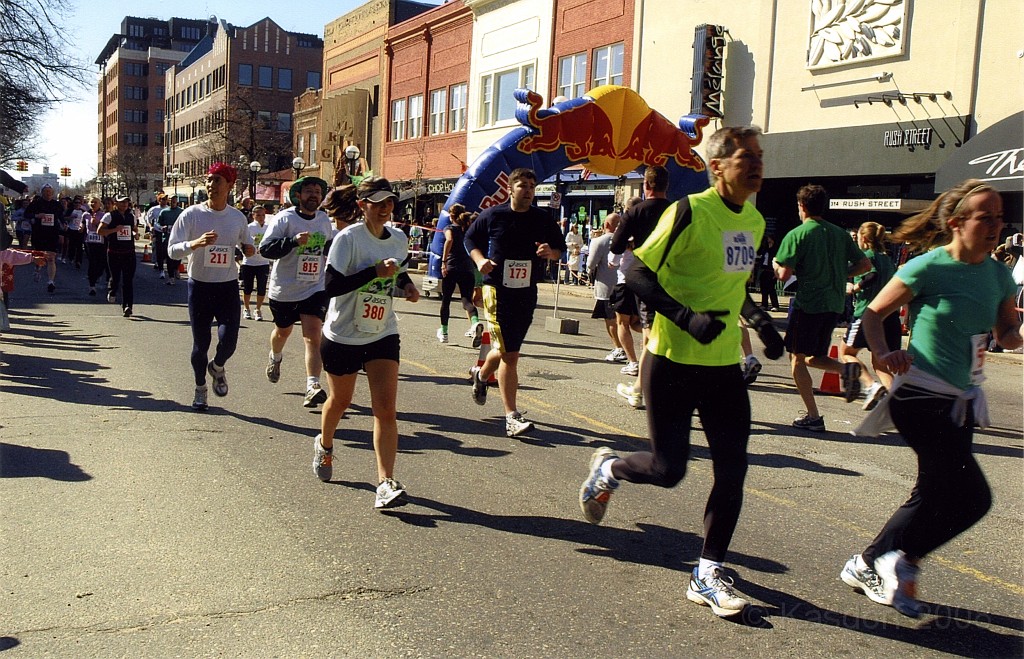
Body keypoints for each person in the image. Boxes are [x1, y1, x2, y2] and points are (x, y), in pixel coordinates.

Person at [578, 126, 783, 619]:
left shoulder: (753, 220)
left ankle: (708, 571)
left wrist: (760, 322)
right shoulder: (689, 211)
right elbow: (635, 270)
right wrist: (686, 317)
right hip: (670, 361)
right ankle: (608, 469)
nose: (756, 165)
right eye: (744, 157)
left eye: (759, 156)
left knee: (733, 468)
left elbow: (733, 289)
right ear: (717, 168)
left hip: (722, 371)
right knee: (668, 470)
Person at [840, 180, 1021, 618]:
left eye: (999, 216)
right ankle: (904, 558)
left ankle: (865, 563)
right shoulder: (928, 267)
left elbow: (1005, 337)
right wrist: (883, 352)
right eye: (985, 216)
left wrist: (1017, 327)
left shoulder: (998, 275)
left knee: (932, 492)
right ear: (957, 223)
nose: (996, 224)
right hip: (919, 396)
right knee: (972, 497)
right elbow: (873, 313)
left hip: (961, 401)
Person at [313, 177, 420, 509]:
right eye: (378, 202)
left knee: (385, 410)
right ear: (363, 206)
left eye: (390, 202)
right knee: (340, 402)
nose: (386, 208)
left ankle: (385, 482)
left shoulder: (399, 239)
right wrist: (374, 272)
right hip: (343, 334)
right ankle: (325, 444)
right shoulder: (348, 239)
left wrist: (408, 285)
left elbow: (397, 271)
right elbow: (331, 287)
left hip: (382, 331)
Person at [464, 167, 566, 437]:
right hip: (497, 289)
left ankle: (482, 374)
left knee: (508, 348)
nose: (528, 190)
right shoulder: (494, 215)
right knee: (511, 355)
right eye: (522, 185)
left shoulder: (543, 219)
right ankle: (511, 416)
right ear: (510, 188)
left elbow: (560, 248)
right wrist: (479, 261)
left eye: (532, 186)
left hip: (526, 291)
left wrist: (551, 252)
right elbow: (470, 238)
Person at [772, 184, 871, 431]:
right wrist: (840, 275)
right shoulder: (839, 233)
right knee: (816, 356)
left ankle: (813, 415)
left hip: (808, 303)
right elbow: (865, 264)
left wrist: (775, 264)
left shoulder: (797, 234)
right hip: (834, 303)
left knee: (797, 359)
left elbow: (783, 275)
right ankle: (846, 368)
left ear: (802, 206)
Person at [167, 163, 255, 411]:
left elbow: (247, 244)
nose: (211, 185)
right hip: (200, 287)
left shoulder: (237, 217)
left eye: (217, 180)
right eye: (209, 180)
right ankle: (200, 388)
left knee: (229, 342)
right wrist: (194, 244)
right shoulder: (191, 215)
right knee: (201, 343)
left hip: (227, 288)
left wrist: (249, 249)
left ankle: (217, 367)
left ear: (229, 186)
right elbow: (172, 251)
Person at [258, 176, 333, 408]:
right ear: (298, 195)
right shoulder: (285, 218)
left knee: (313, 335)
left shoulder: (323, 219)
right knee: (283, 332)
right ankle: (275, 356)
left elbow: (329, 247)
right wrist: (292, 241)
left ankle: (313, 385)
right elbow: (265, 249)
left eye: (318, 192)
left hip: (314, 286)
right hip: (285, 289)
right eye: (309, 191)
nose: (314, 196)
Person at [611, 166, 673, 409]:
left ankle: (641, 389)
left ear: (646, 186)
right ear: (666, 186)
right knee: (666, 333)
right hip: (675, 278)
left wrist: (631, 242)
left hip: (646, 278)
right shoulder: (677, 210)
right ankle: (646, 386)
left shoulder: (636, 211)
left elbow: (616, 246)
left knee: (649, 335)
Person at [839, 222, 899, 411]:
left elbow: (870, 276)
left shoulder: (867, 256)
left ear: (863, 238)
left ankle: (871, 386)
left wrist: (854, 288)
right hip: (888, 315)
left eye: (857, 237)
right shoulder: (887, 259)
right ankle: (893, 405)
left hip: (867, 313)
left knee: (846, 353)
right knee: (880, 362)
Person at [437, 208, 483, 346]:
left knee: (446, 301)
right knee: (466, 301)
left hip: (452, 267)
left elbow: (449, 240)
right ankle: (475, 323)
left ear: (451, 216)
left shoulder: (449, 228)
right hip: (468, 268)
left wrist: (444, 261)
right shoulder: (469, 229)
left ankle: (444, 332)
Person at [588, 214, 626, 364]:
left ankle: (619, 348)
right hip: (624, 283)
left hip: (606, 286)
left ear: (606, 225)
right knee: (623, 319)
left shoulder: (599, 241)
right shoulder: (626, 239)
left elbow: (591, 264)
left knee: (610, 320)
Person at [97, 194, 138, 317]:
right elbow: (100, 231)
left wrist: (136, 234)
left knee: (128, 281)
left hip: (129, 252)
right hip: (114, 252)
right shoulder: (109, 216)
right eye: (121, 202)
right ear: (116, 203)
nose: (124, 205)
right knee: (115, 278)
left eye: (126, 202)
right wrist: (115, 230)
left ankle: (127, 306)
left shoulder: (131, 216)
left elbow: (134, 229)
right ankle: (112, 291)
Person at [24, 184, 63, 293]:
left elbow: (61, 217)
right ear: (42, 193)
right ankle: (37, 269)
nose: (48, 194)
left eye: (50, 192)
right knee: (39, 256)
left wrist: (64, 224)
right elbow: (26, 215)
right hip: (39, 233)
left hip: (52, 233)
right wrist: (36, 216)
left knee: (51, 257)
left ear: (53, 193)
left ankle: (51, 282)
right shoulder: (35, 204)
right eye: (46, 192)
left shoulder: (57, 204)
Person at [239, 204, 271, 321]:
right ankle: (246, 308)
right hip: (249, 262)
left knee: (261, 288)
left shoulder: (269, 227)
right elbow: (241, 242)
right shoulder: (249, 228)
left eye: (263, 215)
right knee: (248, 288)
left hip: (263, 262)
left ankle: (258, 309)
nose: (261, 217)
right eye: (258, 215)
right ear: (253, 215)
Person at [83, 197, 109, 296]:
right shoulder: (85, 214)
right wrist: (81, 228)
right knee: (92, 262)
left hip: (101, 241)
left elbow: (106, 227)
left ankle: (98, 275)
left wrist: (97, 223)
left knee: (102, 261)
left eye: (96, 202)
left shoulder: (103, 215)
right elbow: (83, 226)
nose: (93, 204)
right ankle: (92, 285)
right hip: (89, 241)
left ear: (100, 204)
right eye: (92, 202)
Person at [157, 196, 184, 284]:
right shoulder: (164, 212)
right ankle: (171, 277)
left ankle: (176, 268)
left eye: (175, 200)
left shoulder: (181, 212)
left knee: (178, 256)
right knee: (169, 257)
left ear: (177, 201)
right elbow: (158, 223)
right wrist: (162, 227)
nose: (173, 202)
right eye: (171, 200)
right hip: (167, 238)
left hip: (179, 238)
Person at [756, 234, 779, 311]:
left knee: (771, 288)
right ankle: (764, 304)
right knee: (763, 288)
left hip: (772, 270)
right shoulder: (765, 248)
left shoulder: (775, 249)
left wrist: (777, 272)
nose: (768, 241)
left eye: (770, 239)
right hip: (764, 269)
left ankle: (775, 305)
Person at [148, 195, 169, 277]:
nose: (164, 201)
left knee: (165, 250)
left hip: (167, 232)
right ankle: (161, 269)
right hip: (157, 231)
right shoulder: (154, 209)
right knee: (159, 249)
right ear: (159, 200)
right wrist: (150, 226)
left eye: (166, 199)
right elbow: (148, 218)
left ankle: (160, 262)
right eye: (163, 199)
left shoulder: (169, 209)